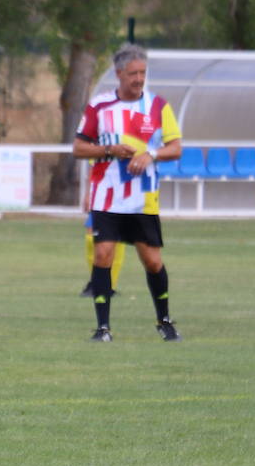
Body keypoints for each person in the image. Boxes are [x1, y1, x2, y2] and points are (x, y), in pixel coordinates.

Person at [73, 44, 183, 342]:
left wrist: (151, 154)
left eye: (142, 73)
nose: (138, 78)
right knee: (103, 255)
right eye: (133, 73)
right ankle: (103, 328)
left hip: (142, 197)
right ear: (119, 73)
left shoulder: (158, 107)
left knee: (152, 261)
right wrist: (109, 149)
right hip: (106, 194)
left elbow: (175, 148)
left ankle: (164, 320)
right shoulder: (99, 106)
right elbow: (79, 148)